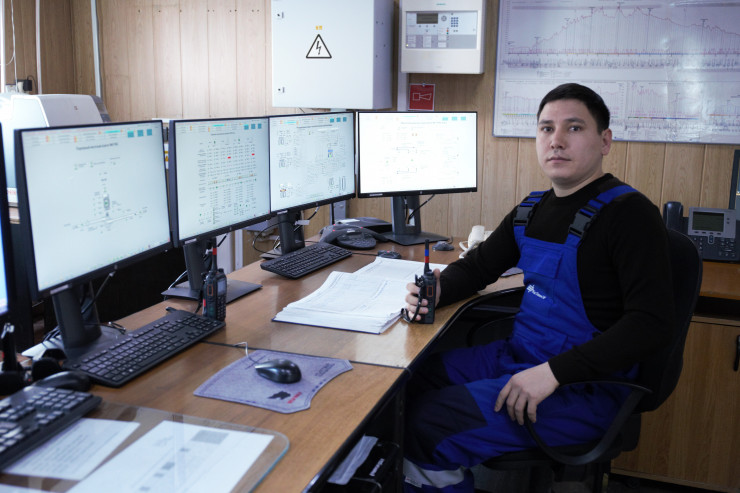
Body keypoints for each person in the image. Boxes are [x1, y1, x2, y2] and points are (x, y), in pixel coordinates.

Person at [401, 83, 674, 492]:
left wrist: (553, 373)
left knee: (430, 426)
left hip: (583, 387)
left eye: (574, 128)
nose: (556, 140)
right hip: (521, 357)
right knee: (408, 380)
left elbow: (651, 324)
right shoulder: (532, 209)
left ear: (604, 141)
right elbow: (478, 266)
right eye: (546, 128)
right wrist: (438, 290)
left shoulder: (630, 215)